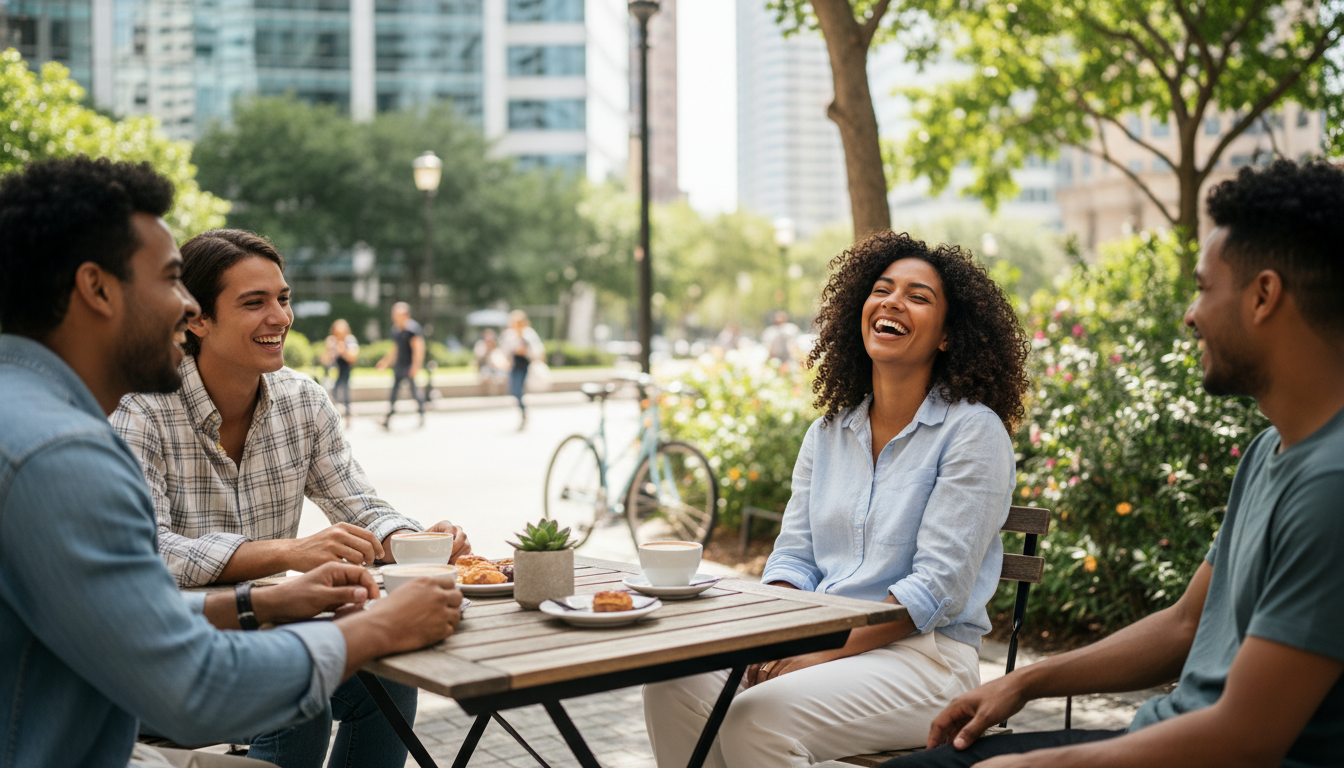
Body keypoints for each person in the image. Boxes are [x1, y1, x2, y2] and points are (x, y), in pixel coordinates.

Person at [0, 156, 463, 768]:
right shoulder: (66, 451)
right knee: (307, 698)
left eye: (283, 298)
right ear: (97, 288)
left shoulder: (25, 412)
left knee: (374, 681)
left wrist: (265, 603)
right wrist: (376, 626)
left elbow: (130, 615)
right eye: (169, 281)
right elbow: (189, 684)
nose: (182, 309)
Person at [888, 160, 1344, 768]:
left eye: (1205, 287)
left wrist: (1038, 765)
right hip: (1163, 737)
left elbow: (1247, 738)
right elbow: (1186, 625)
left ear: (1264, 296)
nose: (1191, 313)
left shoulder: (1332, 485)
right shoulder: (1270, 451)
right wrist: (1024, 683)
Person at [643, 232, 1030, 767]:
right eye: (882, 289)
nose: (894, 301)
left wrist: (820, 653)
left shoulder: (972, 432)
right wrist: (774, 640)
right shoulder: (826, 434)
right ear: (861, 310)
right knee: (673, 683)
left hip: (927, 660)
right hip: (820, 640)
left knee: (758, 720)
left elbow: (933, 589)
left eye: (919, 297)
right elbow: (794, 559)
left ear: (947, 336)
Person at [109, 229, 474, 768]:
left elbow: (359, 504)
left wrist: (414, 540)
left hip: (268, 634)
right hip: (163, 662)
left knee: (386, 676)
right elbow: (149, 554)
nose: (280, 317)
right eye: (254, 303)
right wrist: (286, 553)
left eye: (283, 299)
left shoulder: (302, 399)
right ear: (196, 318)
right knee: (298, 697)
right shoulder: (142, 410)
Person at [375, 302, 425, 428]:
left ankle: (421, 413)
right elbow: (396, 349)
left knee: (414, 391)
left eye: (396, 314)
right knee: (394, 392)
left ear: (405, 315)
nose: (394, 316)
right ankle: (388, 417)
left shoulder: (412, 329)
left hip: (409, 365)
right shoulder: (396, 329)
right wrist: (385, 362)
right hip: (399, 365)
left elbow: (418, 348)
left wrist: (416, 365)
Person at [500, 309, 544, 429]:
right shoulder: (509, 335)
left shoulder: (529, 334)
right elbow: (505, 351)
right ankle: (523, 411)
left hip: (525, 366)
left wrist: (525, 351)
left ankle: (524, 413)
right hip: (514, 366)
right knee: (514, 391)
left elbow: (538, 351)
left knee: (518, 390)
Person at [321, 318, 358, 424]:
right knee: (334, 393)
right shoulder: (332, 341)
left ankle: (348, 417)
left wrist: (343, 350)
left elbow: (353, 357)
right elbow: (325, 360)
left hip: (345, 371)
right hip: (334, 372)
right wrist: (330, 351)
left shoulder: (349, 341)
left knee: (345, 392)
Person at [473, 327, 507, 395]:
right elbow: (478, 359)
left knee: (502, 377)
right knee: (486, 376)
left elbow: (502, 362)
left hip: (497, 370)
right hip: (485, 369)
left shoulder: (498, 348)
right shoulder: (481, 346)